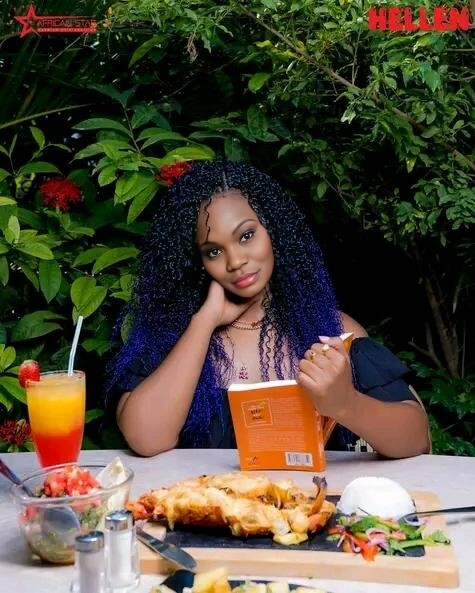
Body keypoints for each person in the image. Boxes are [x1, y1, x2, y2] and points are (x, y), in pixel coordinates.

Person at [105, 160, 430, 458]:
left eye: (246, 236)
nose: (235, 261)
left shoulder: (333, 331)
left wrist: (346, 403)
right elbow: (147, 439)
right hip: (205, 503)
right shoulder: (174, 337)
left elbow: (416, 441)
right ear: (199, 262)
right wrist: (204, 322)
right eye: (214, 251)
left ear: (273, 230)